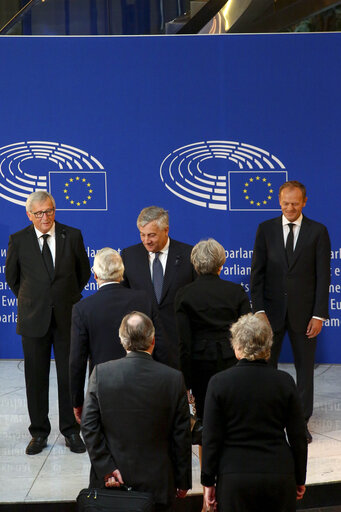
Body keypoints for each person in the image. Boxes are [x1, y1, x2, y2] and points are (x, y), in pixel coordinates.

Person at [5, 191, 90, 455]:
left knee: (69, 375)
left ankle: (71, 431)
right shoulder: (18, 239)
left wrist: (61, 297)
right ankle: (39, 433)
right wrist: (35, 300)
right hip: (33, 319)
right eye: (39, 213)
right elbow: (12, 278)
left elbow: (83, 273)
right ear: (29, 215)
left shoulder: (72, 235)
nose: (45, 217)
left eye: (49, 211)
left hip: (67, 317)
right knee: (35, 377)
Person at [81, 311, 192, 512]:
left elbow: (88, 426)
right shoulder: (173, 379)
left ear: (122, 340)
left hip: (113, 483)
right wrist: (183, 480)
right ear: (152, 339)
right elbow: (181, 436)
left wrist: (106, 468)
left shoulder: (101, 374)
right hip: (158, 485)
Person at [202, 313, 307, 512]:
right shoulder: (284, 382)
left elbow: (211, 438)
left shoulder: (219, 383)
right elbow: (298, 436)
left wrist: (208, 481)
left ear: (237, 347)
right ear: (267, 347)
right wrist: (299, 477)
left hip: (234, 477)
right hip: (279, 474)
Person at [250, 180, 331, 442]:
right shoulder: (265, 230)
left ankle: (300, 423)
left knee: (305, 371)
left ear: (305, 202)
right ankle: (270, 421)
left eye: (295, 203)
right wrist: (259, 310)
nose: (290, 208)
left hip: (306, 316)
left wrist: (319, 315)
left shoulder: (318, 232)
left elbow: (323, 276)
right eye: (286, 203)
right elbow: (257, 275)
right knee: (266, 370)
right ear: (279, 201)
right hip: (270, 315)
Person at [70, 247, 163, 424]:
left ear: (95, 276)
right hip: (144, 384)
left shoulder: (82, 309)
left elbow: (77, 361)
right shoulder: (144, 300)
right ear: (122, 273)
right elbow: (161, 345)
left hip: (103, 388)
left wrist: (77, 402)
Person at [175, 238, 251, 421]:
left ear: (195, 264)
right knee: (234, 415)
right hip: (233, 362)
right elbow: (247, 334)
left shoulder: (184, 294)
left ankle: (207, 450)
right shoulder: (236, 292)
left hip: (199, 364)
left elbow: (183, 342)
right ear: (221, 263)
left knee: (205, 418)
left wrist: (185, 381)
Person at [121, 206, 196, 368]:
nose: (146, 240)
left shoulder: (188, 255)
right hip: (141, 347)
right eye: (142, 235)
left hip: (178, 345)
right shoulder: (129, 256)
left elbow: (196, 299)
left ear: (166, 230)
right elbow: (123, 297)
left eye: (152, 235)